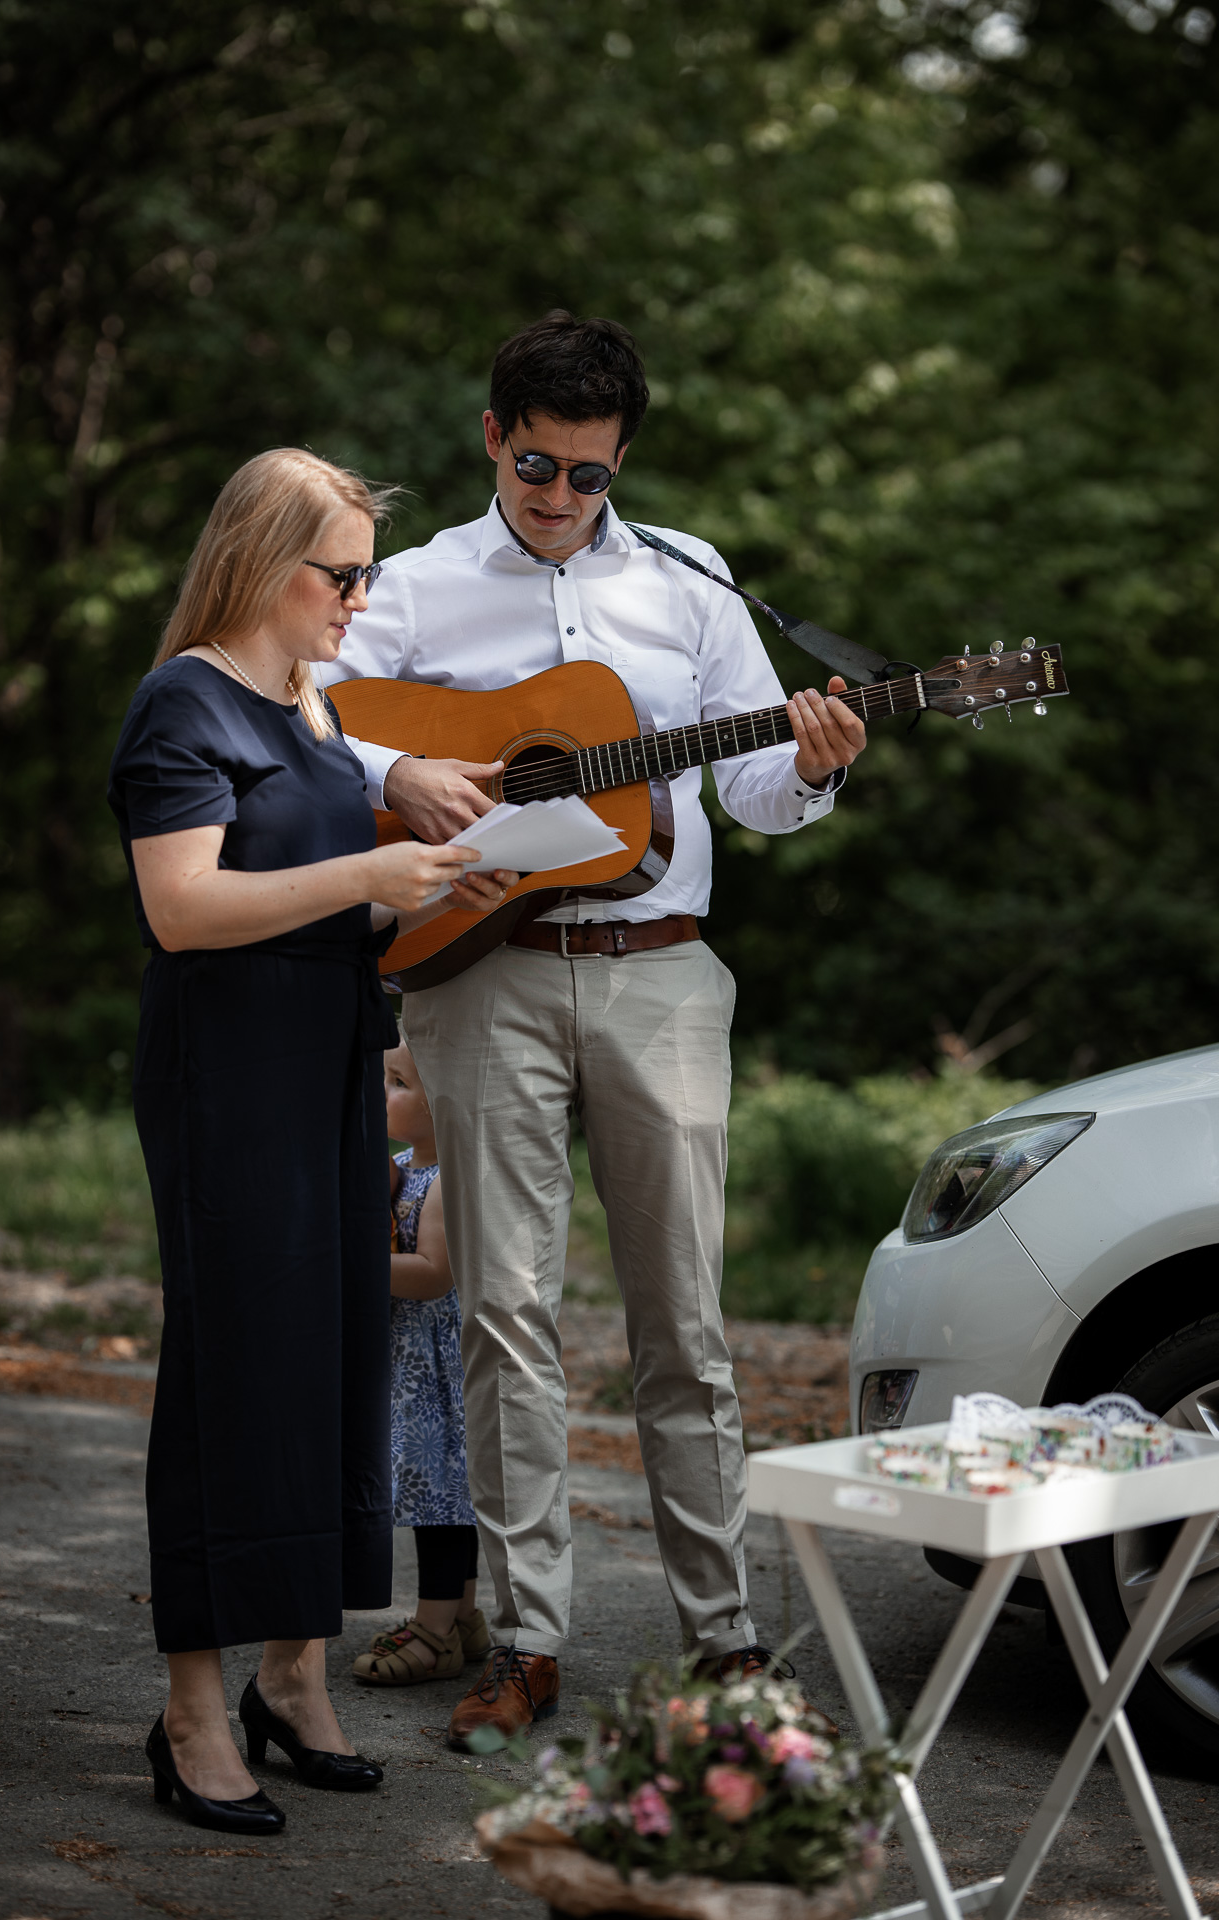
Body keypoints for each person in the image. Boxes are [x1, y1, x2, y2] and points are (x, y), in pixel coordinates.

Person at [321, 312, 867, 1748]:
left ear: (622, 463)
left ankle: (727, 1639)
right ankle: (528, 1640)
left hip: (660, 975)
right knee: (504, 1313)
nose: (558, 497)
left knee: (683, 1322)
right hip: (474, 972)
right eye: (535, 465)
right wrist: (410, 774)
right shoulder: (423, 582)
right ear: (492, 436)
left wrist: (809, 771)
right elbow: (311, 711)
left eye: (589, 474)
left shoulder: (691, 584)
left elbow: (750, 791)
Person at [106, 447, 517, 1834]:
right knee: (237, 1371)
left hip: (332, 1053)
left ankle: (296, 1673)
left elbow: (338, 908)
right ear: (266, 563)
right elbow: (187, 909)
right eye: (342, 573)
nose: (359, 597)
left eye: (365, 574)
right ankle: (192, 1708)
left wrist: (450, 893)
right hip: (230, 1070)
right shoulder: (186, 705)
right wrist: (369, 870)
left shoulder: (315, 709)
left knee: (331, 1356)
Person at [351, 1041, 490, 1686]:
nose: (383, 1095)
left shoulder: (447, 1180)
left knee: (442, 1500)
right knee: (446, 1495)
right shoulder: (408, 1165)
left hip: (437, 1368)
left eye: (399, 1083)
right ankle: (461, 1616)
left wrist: (347, 1266)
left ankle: (434, 1630)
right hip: (415, 1362)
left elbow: (434, 1274)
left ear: (447, 1104)